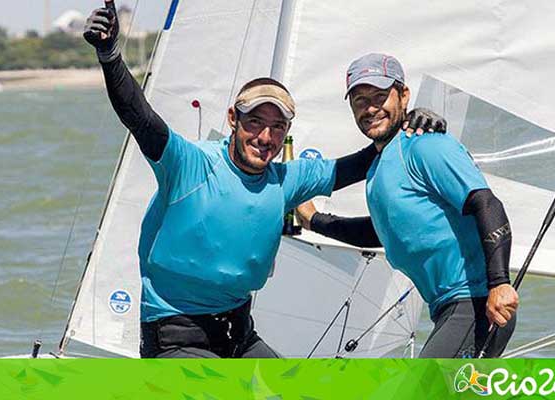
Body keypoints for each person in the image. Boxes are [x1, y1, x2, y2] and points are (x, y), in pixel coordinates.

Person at [83, 2, 447, 358]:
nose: (265, 137)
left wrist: (409, 121)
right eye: (255, 122)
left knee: (294, 390)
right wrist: (110, 56)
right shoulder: (190, 165)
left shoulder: (286, 180)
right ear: (233, 119)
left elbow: (361, 162)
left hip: (239, 336)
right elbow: (140, 117)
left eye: (277, 127)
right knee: (221, 389)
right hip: (177, 338)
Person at [297, 53, 518, 358]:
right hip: (449, 310)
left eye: (379, 96)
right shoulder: (378, 166)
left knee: (418, 384)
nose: (370, 108)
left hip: (479, 305)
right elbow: (380, 232)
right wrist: (314, 220)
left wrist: (500, 283)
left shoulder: (426, 145)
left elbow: (487, 204)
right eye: (360, 100)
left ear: (403, 95)